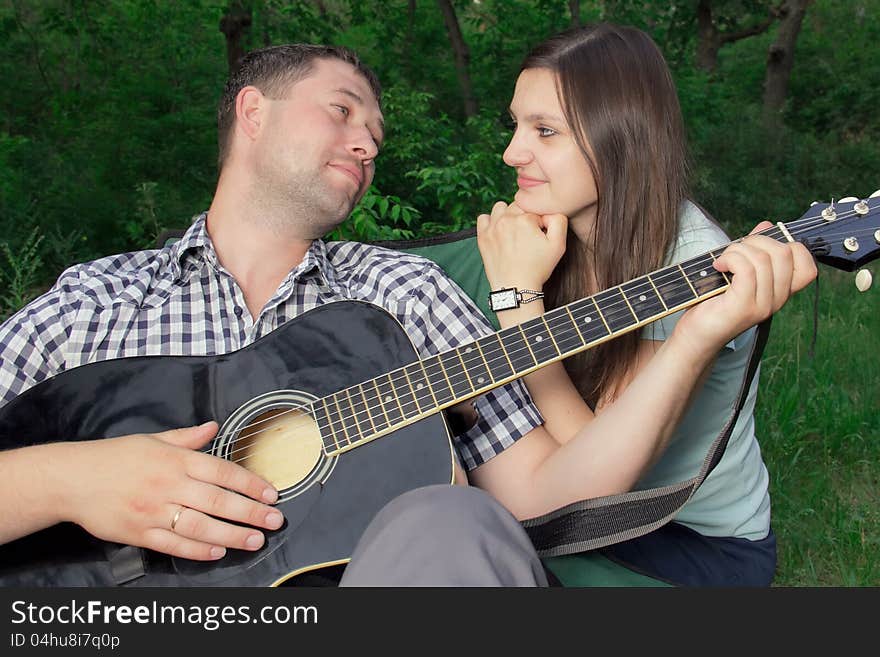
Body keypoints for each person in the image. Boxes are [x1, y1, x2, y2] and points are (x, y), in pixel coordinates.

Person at [0, 42, 814, 587]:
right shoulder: (90, 302)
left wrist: (694, 338)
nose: (368, 142)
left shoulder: (402, 295)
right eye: (344, 110)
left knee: (455, 513)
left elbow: (543, 495)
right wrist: (67, 479)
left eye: (377, 133)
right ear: (253, 113)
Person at [476, 22, 803, 586]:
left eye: (545, 131)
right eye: (516, 125)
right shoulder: (555, 228)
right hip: (580, 495)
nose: (511, 152)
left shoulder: (694, 262)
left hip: (686, 539)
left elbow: (596, 469)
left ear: (619, 139)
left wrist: (517, 303)